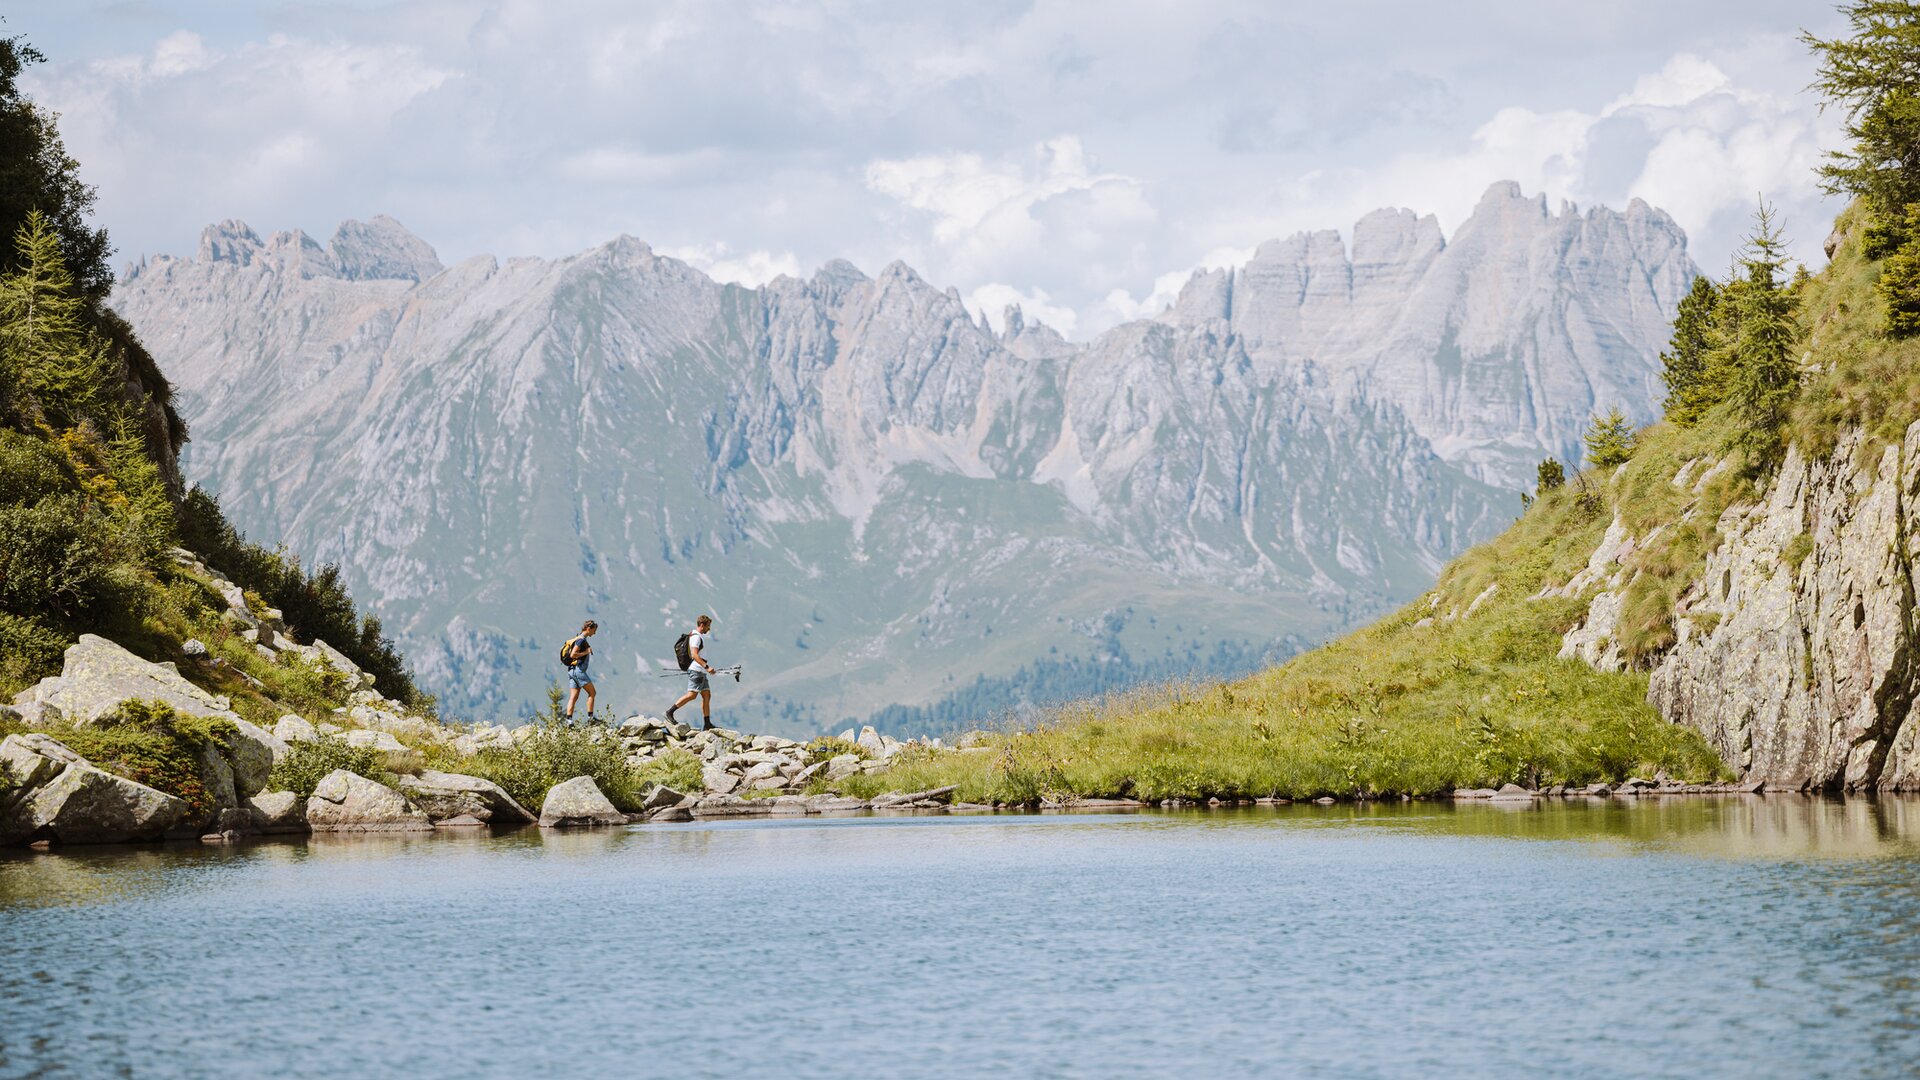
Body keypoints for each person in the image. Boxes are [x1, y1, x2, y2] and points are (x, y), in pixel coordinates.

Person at [666, 614, 718, 730]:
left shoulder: (696, 635)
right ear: (702, 625)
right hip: (697, 670)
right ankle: (669, 712)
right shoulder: (696, 637)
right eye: (708, 626)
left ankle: (707, 723)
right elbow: (694, 655)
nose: (709, 629)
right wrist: (707, 667)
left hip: (700, 671)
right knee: (692, 695)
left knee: (706, 695)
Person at [562, 620, 598, 721]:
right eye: (594, 630)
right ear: (588, 628)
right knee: (592, 693)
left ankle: (569, 722)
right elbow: (573, 654)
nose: (594, 633)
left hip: (571, 671)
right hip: (578, 671)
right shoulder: (581, 640)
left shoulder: (578, 638)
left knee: (573, 697)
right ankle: (591, 719)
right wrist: (586, 652)